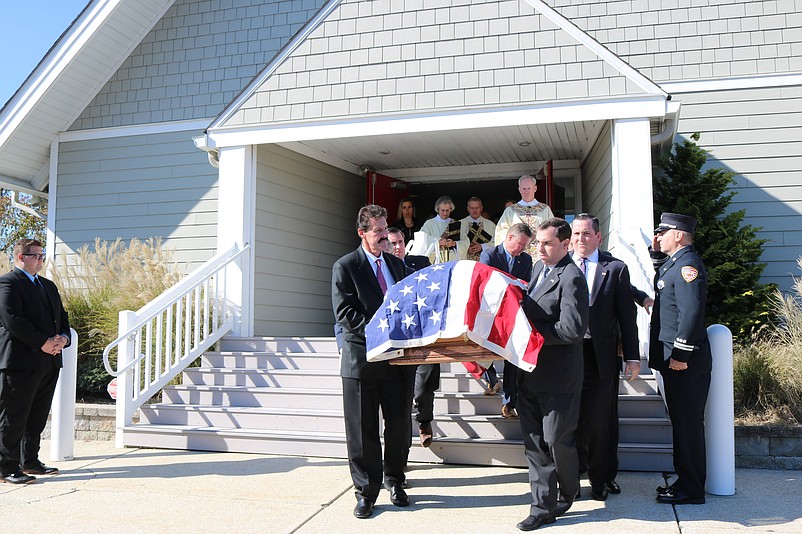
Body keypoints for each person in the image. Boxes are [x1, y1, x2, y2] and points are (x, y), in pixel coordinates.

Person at [331, 206, 411, 519]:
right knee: (362, 431)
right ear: (362, 233)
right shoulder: (345, 266)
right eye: (376, 230)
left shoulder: (397, 264)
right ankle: (366, 492)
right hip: (361, 361)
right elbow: (347, 315)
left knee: (398, 426)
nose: (382, 235)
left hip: (397, 362)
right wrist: (384, 332)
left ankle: (395, 481)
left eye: (384, 228)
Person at [516, 218, 589, 531]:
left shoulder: (571, 276)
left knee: (556, 440)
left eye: (547, 243)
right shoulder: (537, 269)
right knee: (534, 444)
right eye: (538, 243)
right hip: (528, 373)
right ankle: (543, 506)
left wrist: (531, 333)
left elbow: (573, 329)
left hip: (559, 378)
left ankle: (569, 489)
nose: (540, 249)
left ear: (565, 243)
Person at [569, 214, 640, 501]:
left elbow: (626, 316)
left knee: (600, 421)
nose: (580, 240)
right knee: (570, 420)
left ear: (598, 237)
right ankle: (573, 475)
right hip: (568, 356)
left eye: (586, 234)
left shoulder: (615, 269)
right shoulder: (561, 266)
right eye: (575, 234)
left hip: (601, 356)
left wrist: (633, 357)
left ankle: (601, 479)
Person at [649, 212, 711, 505]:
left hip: (683, 362)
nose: (658, 236)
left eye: (663, 232)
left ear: (679, 235)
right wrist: (655, 253)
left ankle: (692, 488)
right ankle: (684, 480)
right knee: (681, 424)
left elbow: (691, 312)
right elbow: (663, 286)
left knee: (687, 426)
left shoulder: (688, 265)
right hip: (674, 360)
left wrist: (681, 354)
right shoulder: (675, 263)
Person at [0, 239, 71, 485]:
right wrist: (42, 342)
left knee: (37, 416)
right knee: (13, 416)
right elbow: (13, 320)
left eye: (43, 256)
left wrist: (63, 338)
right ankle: (6, 467)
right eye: (37, 256)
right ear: (21, 257)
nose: (41, 260)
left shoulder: (49, 286)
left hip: (49, 361)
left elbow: (63, 318)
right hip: (20, 361)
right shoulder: (8, 283)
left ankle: (29, 460)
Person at [387, 228, 438, 448]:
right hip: (396, 339)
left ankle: (425, 422)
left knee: (423, 386)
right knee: (400, 395)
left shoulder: (421, 263)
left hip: (423, 336)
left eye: (400, 242)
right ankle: (402, 446)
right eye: (392, 243)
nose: (397, 247)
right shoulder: (382, 269)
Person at [479, 223, 533, 419]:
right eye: (520, 244)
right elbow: (485, 283)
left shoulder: (526, 260)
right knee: (482, 353)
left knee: (512, 358)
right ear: (509, 238)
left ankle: (509, 403)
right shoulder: (490, 255)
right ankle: (491, 378)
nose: (522, 250)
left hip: (513, 315)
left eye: (525, 246)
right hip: (489, 314)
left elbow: (526, 287)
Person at [495, 175, 555, 257]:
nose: (526, 191)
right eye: (524, 189)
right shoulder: (511, 211)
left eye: (529, 188)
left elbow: (552, 231)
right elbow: (501, 231)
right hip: (517, 253)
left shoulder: (544, 209)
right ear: (519, 190)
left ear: (535, 188)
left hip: (539, 253)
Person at [418, 196, 467, 263]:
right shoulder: (429, 223)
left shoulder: (456, 224)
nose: (445, 213)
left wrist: (454, 243)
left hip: (452, 260)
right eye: (443, 210)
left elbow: (465, 241)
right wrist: (438, 241)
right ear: (437, 209)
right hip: (435, 260)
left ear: (451, 209)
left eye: (447, 210)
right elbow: (421, 239)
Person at [460, 196, 496, 261]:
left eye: (477, 208)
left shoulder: (490, 225)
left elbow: (497, 243)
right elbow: (456, 244)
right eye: (472, 208)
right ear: (468, 209)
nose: (475, 211)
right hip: (466, 262)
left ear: (481, 208)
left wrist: (482, 247)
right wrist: (466, 248)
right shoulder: (460, 224)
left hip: (485, 262)